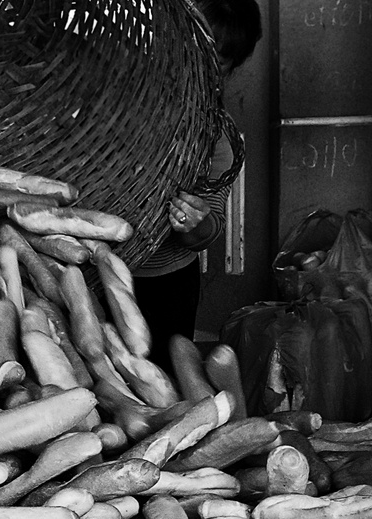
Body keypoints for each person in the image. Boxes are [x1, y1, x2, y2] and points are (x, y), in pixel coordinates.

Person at [132, 0, 262, 365]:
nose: (199, 64)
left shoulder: (216, 137)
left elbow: (210, 228)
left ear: (230, 68)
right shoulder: (121, 106)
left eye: (216, 60)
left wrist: (197, 223)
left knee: (162, 387)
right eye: (195, 46)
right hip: (92, 273)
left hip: (165, 284)